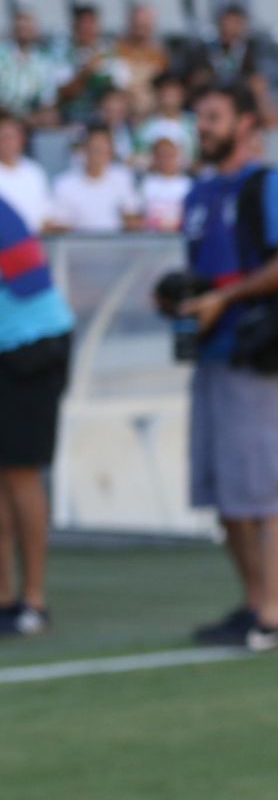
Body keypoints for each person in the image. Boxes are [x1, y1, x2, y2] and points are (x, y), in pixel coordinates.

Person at [167, 83, 278, 651]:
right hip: (210, 355)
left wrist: (223, 302)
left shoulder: (269, 184)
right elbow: (208, 274)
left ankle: (274, 616)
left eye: (212, 116)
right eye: (197, 115)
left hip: (254, 357)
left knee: (258, 491)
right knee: (224, 494)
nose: (201, 126)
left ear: (246, 125)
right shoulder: (198, 193)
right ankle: (254, 604)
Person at [0, 191, 74, 636]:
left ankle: (33, 600)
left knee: (20, 473)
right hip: (13, 345)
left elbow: (27, 277)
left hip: (31, 347)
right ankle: (6, 597)